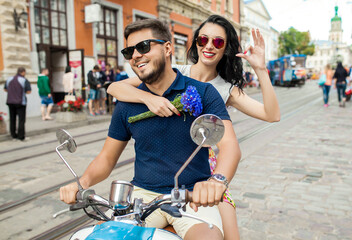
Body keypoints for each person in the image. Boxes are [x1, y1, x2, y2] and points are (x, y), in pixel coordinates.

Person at [60, 18, 241, 240]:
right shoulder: (126, 105)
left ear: (167, 48)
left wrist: (216, 181)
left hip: (192, 194)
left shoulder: (203, 93)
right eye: (129, 52)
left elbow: (229, 145)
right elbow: (107, 158)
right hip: (142, 196)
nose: (135, 55)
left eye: (143, 46)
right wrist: (82, 183)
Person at [107, 15, 280, 240]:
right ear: (195, 42)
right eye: (203, 39)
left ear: (226, 48)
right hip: (163, 172)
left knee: (229, 234)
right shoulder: (175, 70)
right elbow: (115, 88)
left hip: (207, 170)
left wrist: (260, 69)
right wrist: (147, 99)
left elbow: (272, 115)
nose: (208, 46)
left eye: (218, 42)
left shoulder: (226, 90)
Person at [3, 67, 31, 141]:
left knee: (12, 119)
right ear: (23, 72)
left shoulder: (9, 79)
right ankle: (21, 136)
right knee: (21, 119)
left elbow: (5, 89)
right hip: (20, 102)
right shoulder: (24, 80)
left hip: (10, 102)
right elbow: (28, 91)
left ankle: (13, 135)